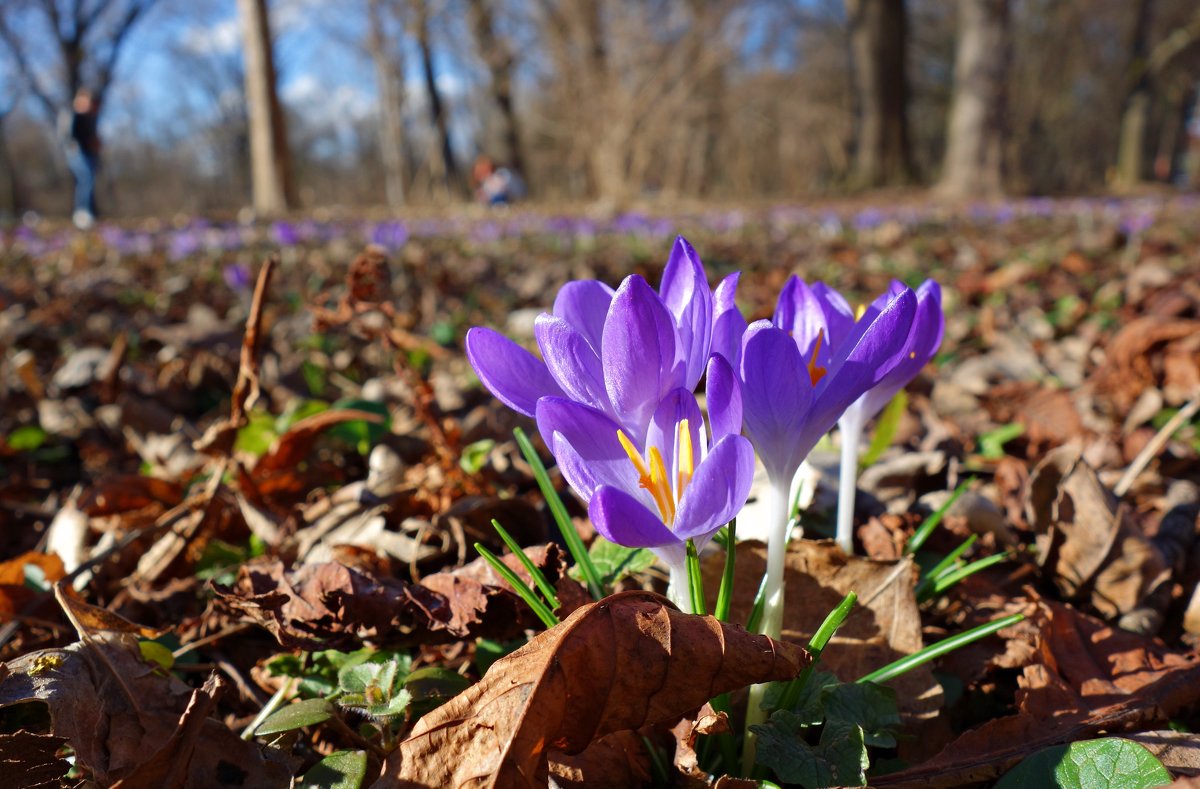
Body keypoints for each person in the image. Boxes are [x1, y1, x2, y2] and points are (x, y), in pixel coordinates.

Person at [60, 88, 101, 229]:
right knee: (85, 178)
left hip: (89, 153)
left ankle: (89, 212)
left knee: (89, 180)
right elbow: (67, 135)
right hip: (76, 152)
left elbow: (92, 138)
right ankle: (82, 212)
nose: (87, 104)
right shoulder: (71, 115)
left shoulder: (90, 117)